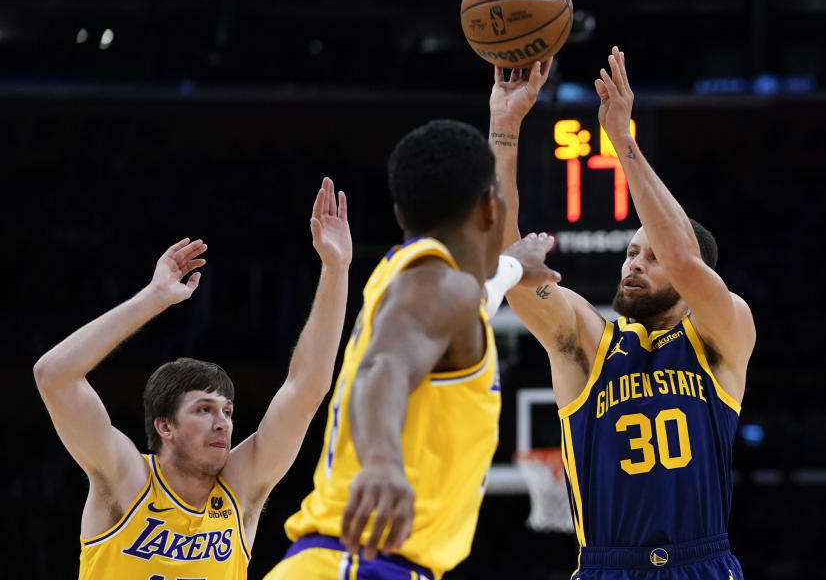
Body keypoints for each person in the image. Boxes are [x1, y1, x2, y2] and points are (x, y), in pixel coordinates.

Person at [494, 48, 756, 579]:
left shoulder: (723, 334)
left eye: (650, 255)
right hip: (606, 567)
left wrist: (622, 141)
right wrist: (504, 129)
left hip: (700, 562)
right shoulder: (589, 341)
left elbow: (683, 258)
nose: (634, 264)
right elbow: (506, 260)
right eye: (631, 253)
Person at [265, 115, 559, 580]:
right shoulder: (439, 287)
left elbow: (479, 293)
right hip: (359, 564)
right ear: (489, 207)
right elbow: (384, 368)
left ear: (401, 214)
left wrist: (514, 266)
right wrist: (381, 463)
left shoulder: (414, 280)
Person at [33, 177, 353, 579]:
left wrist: (336, 268)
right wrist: (153, 298)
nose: (223, 422)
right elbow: (53, 376)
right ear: (164, 425)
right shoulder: (127, 482)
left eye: (227, 411)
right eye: (204, 409)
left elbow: (306, 389)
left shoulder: (240, 491)